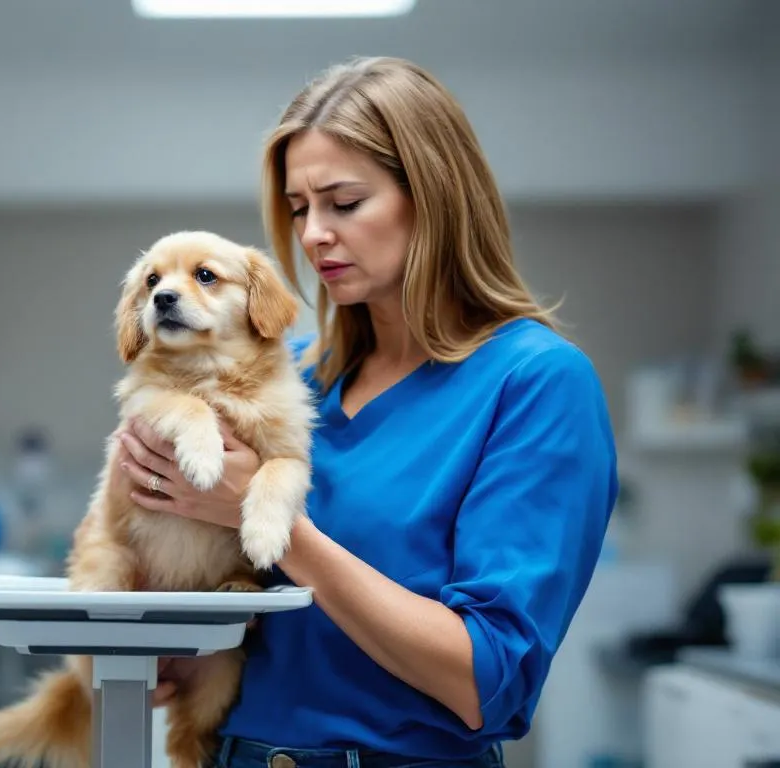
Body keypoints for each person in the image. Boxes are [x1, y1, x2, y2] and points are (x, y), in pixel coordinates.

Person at [115, 56, 618, 768]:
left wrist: (273, 523)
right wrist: (167, 640)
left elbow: (486, 682)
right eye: (298, 209)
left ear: (434, 197)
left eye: (344, 203)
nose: (314, 233)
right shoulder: (290, 377)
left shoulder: (533, 384)